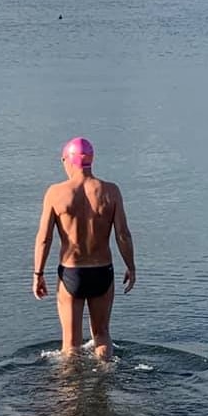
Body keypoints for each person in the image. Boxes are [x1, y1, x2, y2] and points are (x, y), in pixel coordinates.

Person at [33, 137, 136, 360]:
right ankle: (105, 383)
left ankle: (70, 392)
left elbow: (44, 238)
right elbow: (122, 234)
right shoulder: (110, 191)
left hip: (72, 272)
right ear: (90, 161)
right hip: (102, 271)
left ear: (68, 161)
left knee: (70, 344)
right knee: (102, 335)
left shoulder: (55, 193)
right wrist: (131, 267)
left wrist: (38, 274)